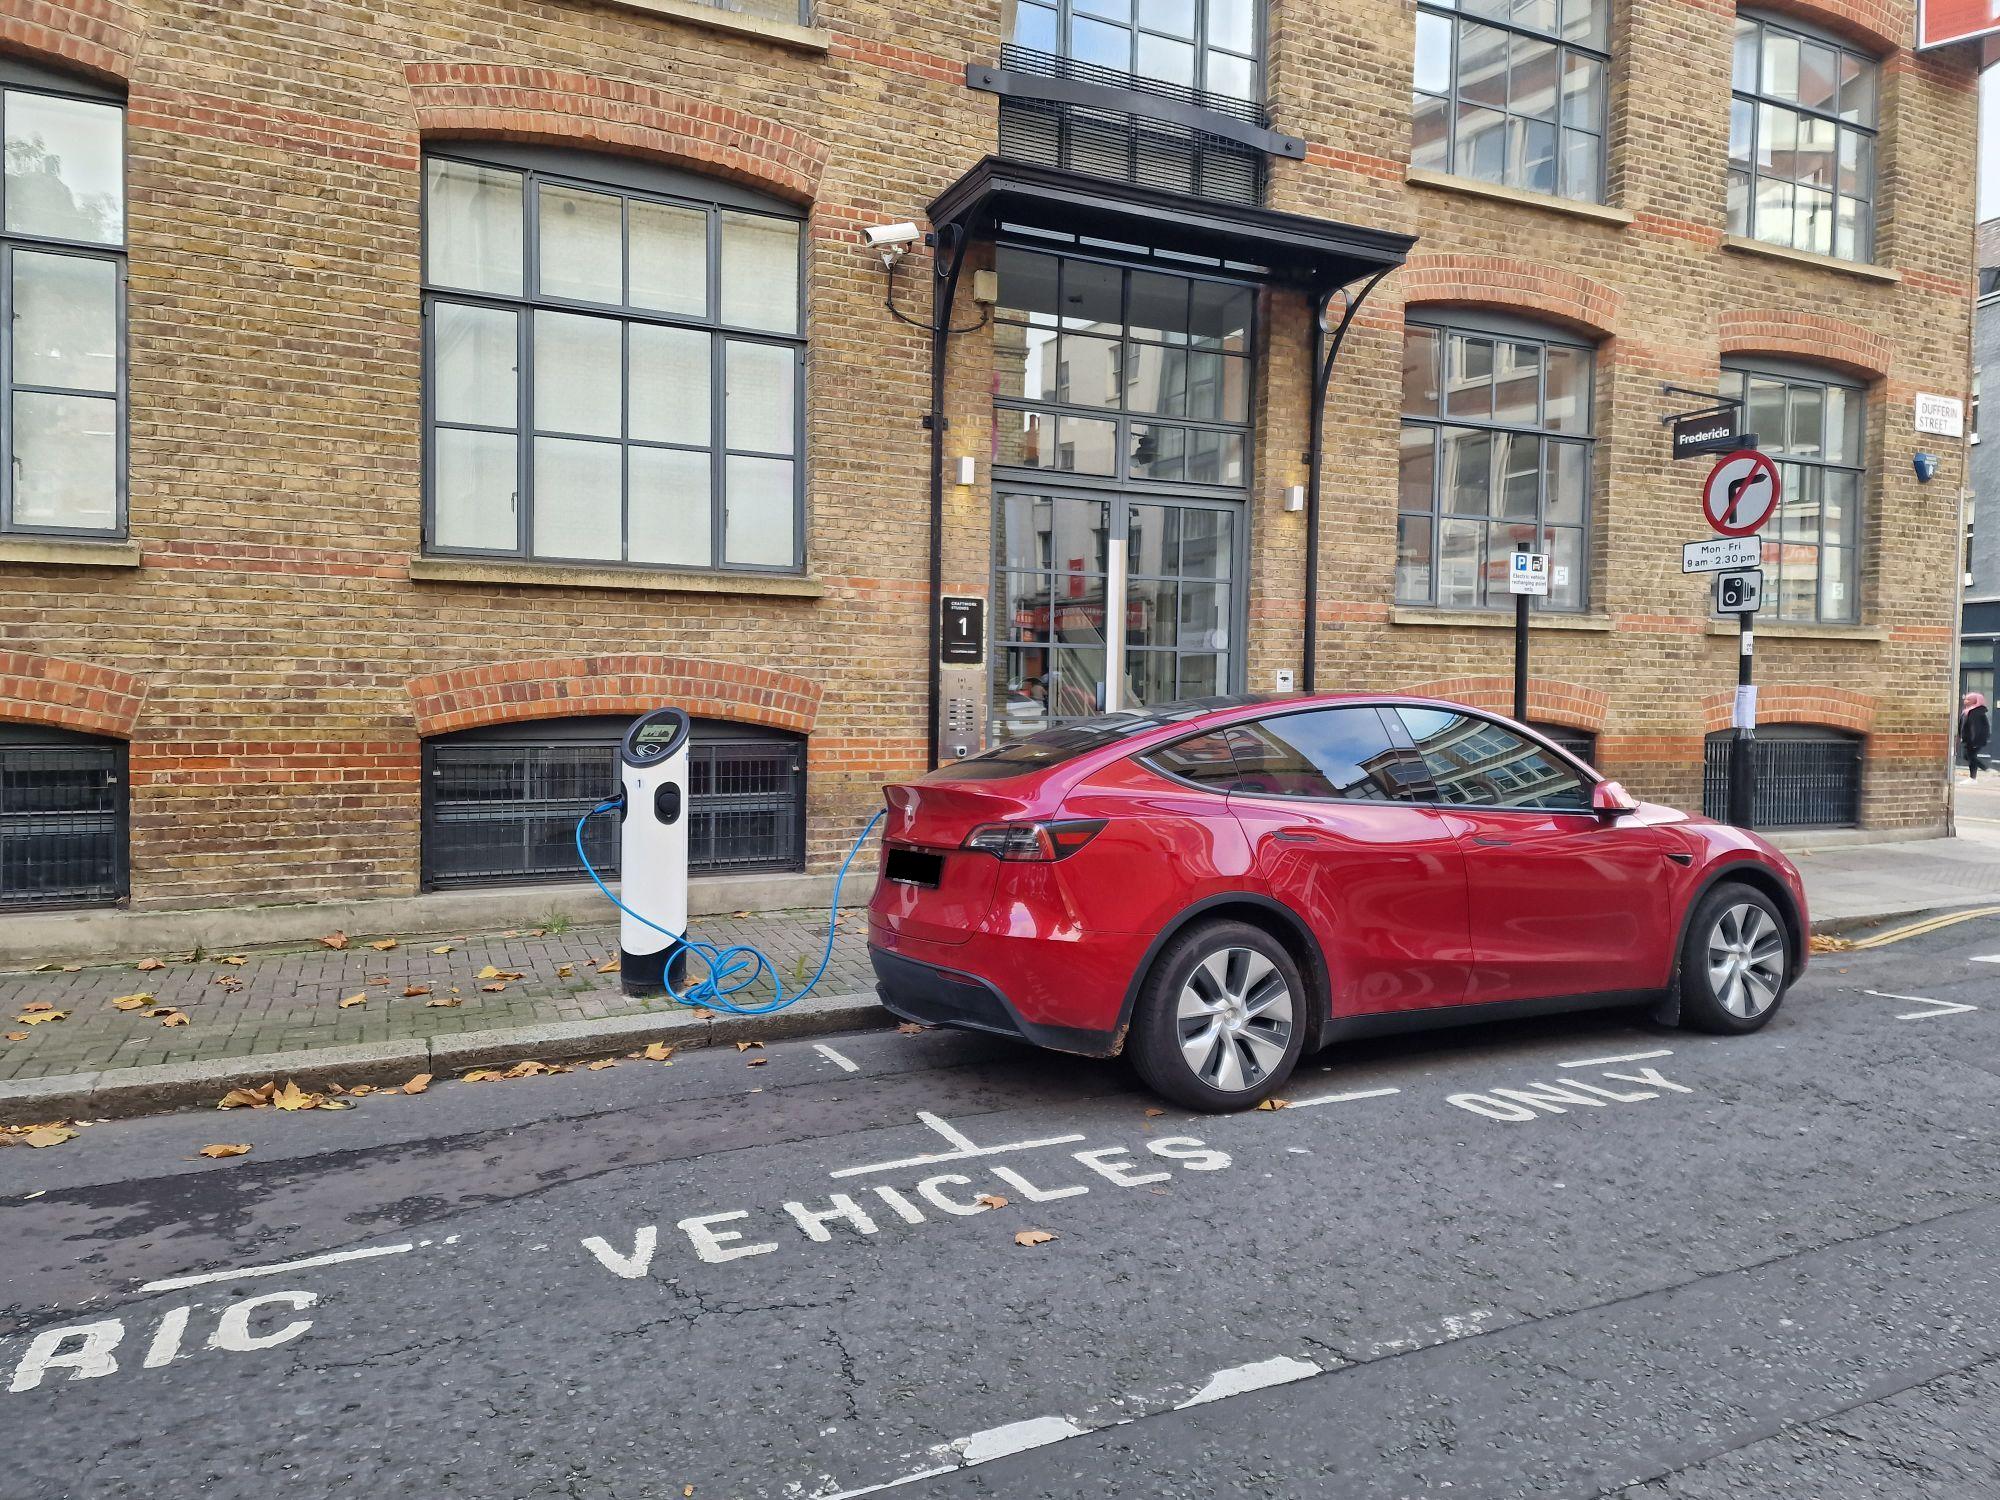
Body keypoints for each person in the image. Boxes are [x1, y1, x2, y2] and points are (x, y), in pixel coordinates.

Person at [1961, 692, 1990, 778]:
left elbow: (1976, 728)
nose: (1965, 701)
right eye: (1965, 699)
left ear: (1974, 701)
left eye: (1968, 700)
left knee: (1969, 756)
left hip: (1974, 740)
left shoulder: (1975, 712)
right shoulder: (1968, 711)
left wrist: (1975, 741)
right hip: (1968, 739)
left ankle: (1985, 769)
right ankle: (1973, 777)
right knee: (1969, 757)